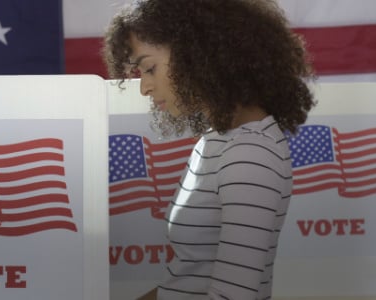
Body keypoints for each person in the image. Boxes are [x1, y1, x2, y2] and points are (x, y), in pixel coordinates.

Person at [102, 0, 315, 299]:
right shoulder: (216, 140)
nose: (144, 88)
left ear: (198, 53)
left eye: (150, 68)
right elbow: (185, 281)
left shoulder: (250, 154)